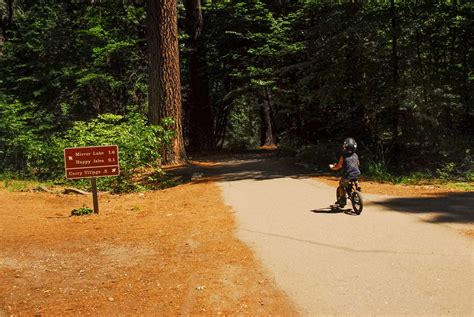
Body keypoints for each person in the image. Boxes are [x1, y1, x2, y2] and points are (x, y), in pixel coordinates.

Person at [329, 138, 361, 207]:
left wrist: (332, 167)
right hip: (357, 173)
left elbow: (339, 166)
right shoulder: (356, 155)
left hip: (347, 175)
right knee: (354, 177)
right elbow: (358, 164)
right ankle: (357, 184)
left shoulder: (343, 156)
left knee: (341, 185)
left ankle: (342, 200)